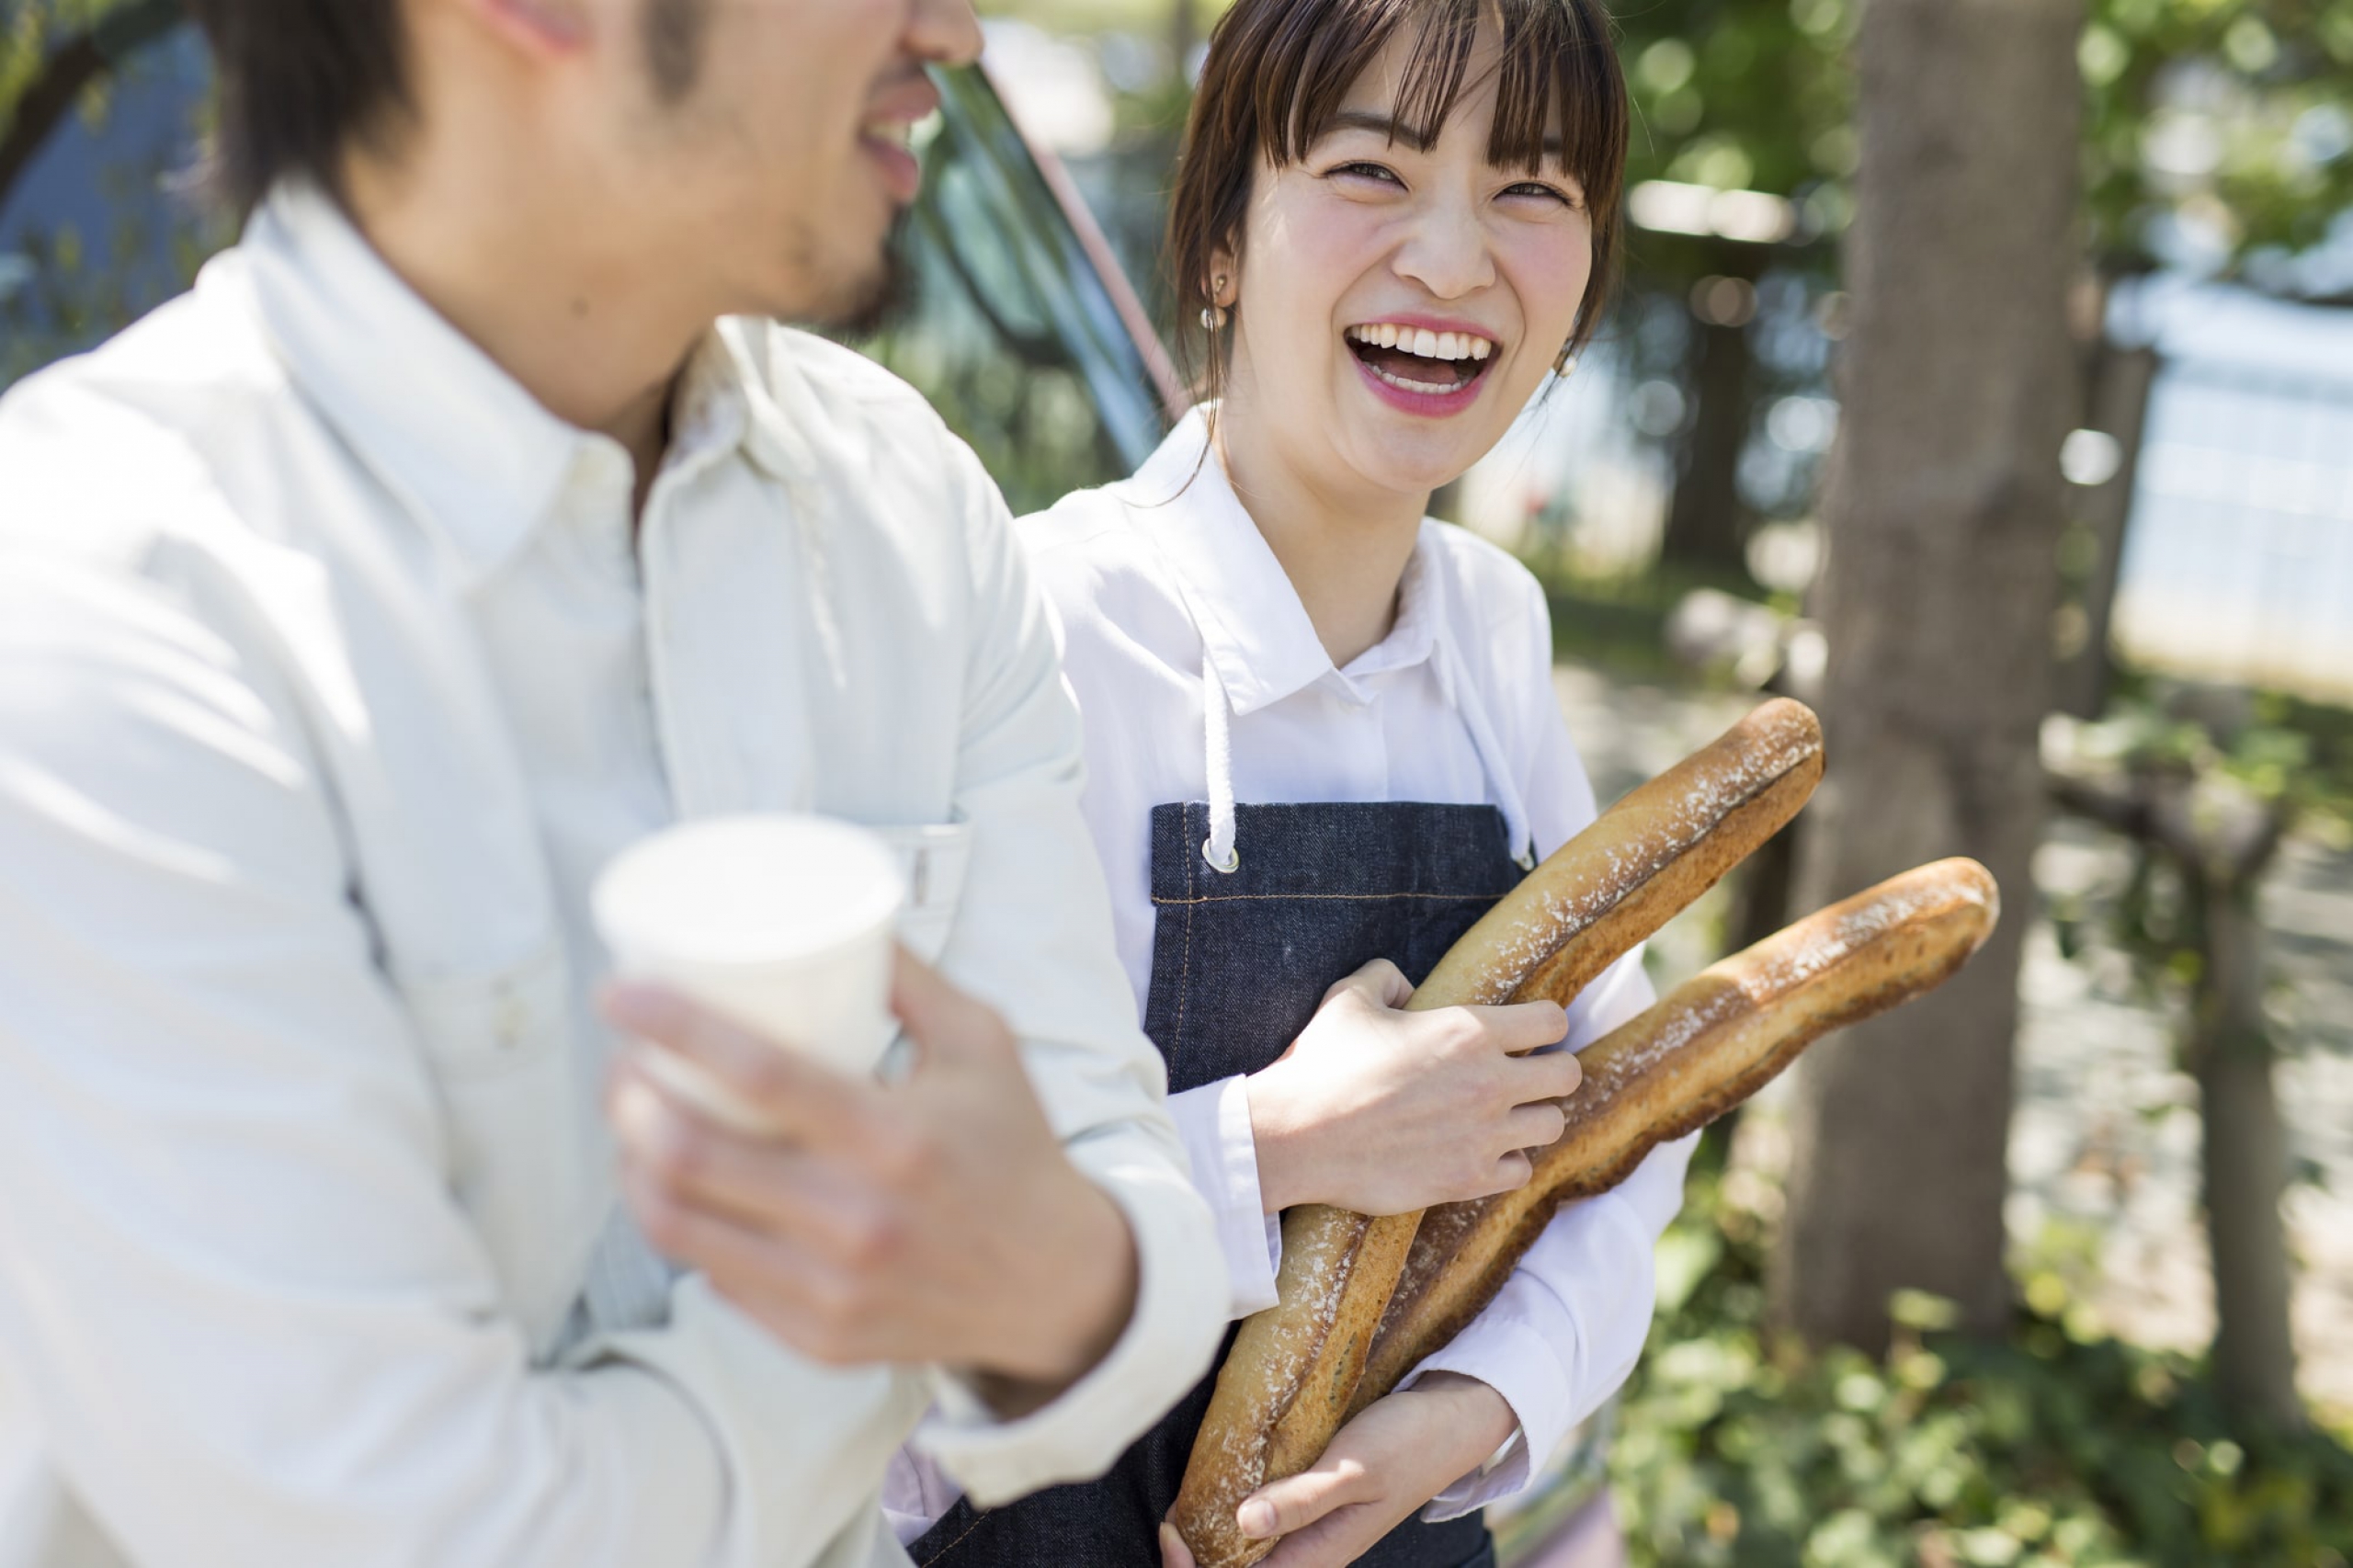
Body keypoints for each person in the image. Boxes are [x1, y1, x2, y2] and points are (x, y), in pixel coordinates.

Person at [0, 2, 1229, 1565]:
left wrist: (1061, 1276)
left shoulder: (914, 516)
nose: (957, 31)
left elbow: (1135, 1225)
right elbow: (440, 1535)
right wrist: (956, 1304)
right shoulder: (93, 598)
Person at [888, 3, 1696, 1565]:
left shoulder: (1494, 637)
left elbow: (1624, 1120)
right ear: (1220, 249)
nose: (1455, 261)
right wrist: (1277, 1146)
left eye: (1531, 189)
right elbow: (884, 1253)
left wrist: (1470, 1411)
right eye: (1370, 171)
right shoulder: (1039, 632)